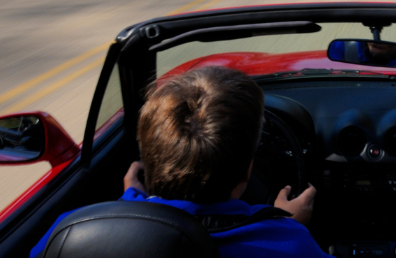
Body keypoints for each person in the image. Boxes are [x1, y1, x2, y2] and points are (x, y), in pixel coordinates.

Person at [31, 66, 327, 258]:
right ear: (248, 169)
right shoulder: (289, 243)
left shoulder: (73, 232)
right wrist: (286, 223)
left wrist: (130, 201)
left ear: (148, 161)